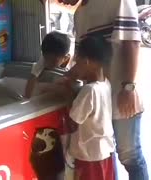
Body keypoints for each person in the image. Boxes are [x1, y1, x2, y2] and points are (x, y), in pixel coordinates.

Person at [58, 0, 149, 179]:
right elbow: (81, 60)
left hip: (122, 95)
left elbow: (131, 43)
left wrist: (129, 87)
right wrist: (63, 78)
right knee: (106, 152)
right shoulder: (79, 15)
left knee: (130, 156)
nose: (61, 1)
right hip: (99, 102)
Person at [67, 36, 114, 180]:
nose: (74, 65)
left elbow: (74, 119)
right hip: (104, 153)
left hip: (89, 156)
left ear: (86, 62)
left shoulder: (89, 90)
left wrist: (67, 90)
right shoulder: (105, 84)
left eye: (77, 61)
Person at [25, 31, 71, 98]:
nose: (48, 63)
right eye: (46, 59)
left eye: (53, 61)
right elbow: (32, 77)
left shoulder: (70, 63)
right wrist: (27, 99)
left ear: (66, 58)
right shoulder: (44, 58)